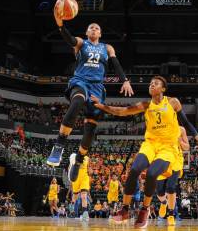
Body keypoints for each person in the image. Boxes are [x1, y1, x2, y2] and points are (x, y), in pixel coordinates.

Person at [91, 75, 198, 228]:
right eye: (151, 83)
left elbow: (185, 121)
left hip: (168, 148)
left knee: (152, 173)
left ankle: (144, 210)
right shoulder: (145, 105)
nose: (152, 85)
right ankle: (124, 209)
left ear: (163, 89)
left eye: (156, 83)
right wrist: (102, 106)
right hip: (150, 144)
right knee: (134, 170)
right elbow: (122, 111)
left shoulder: (173, 102)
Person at [46, 17, 134, 171]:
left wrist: (124, 80)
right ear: (87, 32)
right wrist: (61, 26)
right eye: (91, 27)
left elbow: (116, 64)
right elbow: (70, 39)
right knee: (78, 101)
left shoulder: (107, 48)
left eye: (97, 28)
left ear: (100, 34)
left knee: (90, 128)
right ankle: (59, 145)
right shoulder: (81, 43)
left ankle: (79, 160)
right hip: (80, 81)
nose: (94, 29)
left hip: (97, 87)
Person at [156, 125, 189, 226]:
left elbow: (187, 147)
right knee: (159, 191)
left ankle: (171, 215)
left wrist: (179, 140)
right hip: (162, 160)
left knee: (171, 187)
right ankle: (163, 203)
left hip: (176, 161)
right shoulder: (159, 127)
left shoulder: (181, 129)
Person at [68, 153, 90, 221]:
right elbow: (70, 168)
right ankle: (71, 211)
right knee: (75, 197)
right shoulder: (74, 157)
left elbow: (88, 168)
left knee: (83, 196)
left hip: (84, 178)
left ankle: (85, 215)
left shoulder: (87, 158)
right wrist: (71, 180)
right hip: (76, 179)